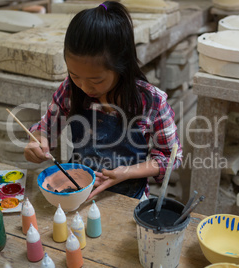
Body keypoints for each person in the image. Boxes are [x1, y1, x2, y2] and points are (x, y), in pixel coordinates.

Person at [24, 1, 182, 200]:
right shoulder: (70, 89)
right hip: (79, 190)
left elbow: (171, 157)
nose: (84, 87)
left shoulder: (151, 102)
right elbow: (46, 129)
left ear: (121, 65)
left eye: (95, 80)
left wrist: (126, 172)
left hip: (128, 197)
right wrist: (37, 140)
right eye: (75, 75)